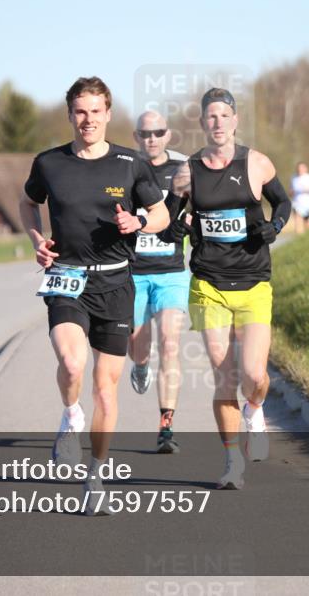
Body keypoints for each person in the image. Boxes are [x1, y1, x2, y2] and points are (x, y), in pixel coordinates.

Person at [19, 77, 168, 513]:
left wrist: (139, 224)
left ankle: (96, 475)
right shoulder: (49, 163)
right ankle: (70, 417)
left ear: (108, 113)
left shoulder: (130, 164)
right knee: (71, 362)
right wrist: (35, 238)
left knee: (106, 388)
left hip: (117, 282)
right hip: (67, 277)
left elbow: (159, 213)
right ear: (70, 115)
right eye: (80, 112)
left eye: (96, 111)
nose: (88, 120)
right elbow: (28, 202)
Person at [160, 88, 291, 490]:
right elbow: (167, 223)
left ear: (235, 121)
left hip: (253, 284)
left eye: (224, 115)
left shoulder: (257, 163)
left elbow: (283, 204)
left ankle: (255, 409)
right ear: (202, 124)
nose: (217, 122)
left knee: (254, 374)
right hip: (208, 284)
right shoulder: (188, 172)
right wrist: (176, 228)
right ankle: (232, 460)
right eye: (210, 117)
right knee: (224, 375)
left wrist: (274, 228)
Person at [128, 111, 190, 454]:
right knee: (138, 346)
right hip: (133, 272)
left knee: (169, 343)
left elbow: (199, 209)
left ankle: (166, 426)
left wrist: (189, 223)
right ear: (136, 136)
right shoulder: (125, 169)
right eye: (145, 133)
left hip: (172, 272)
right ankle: (139, 365)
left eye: (158, 132)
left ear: (169, 135)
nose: (151, 138)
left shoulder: (181, 171)